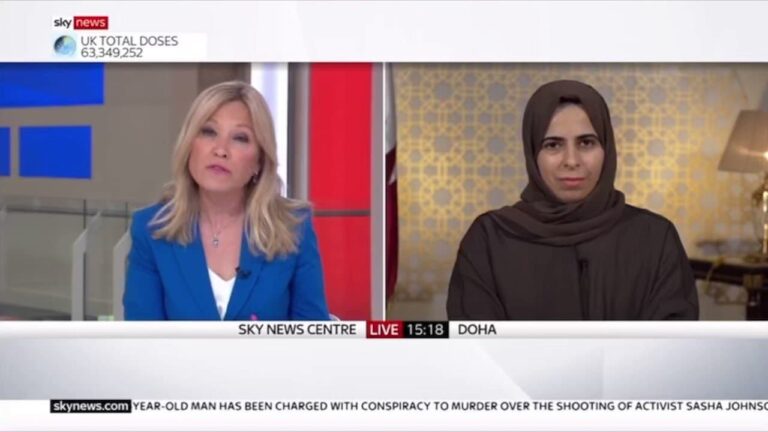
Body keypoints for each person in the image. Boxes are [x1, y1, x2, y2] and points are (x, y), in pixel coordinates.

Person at [447, 80, 699, 320]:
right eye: (553, 145)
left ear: (607, 148)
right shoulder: (490, 238)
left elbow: (672, 342)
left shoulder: (654, 237)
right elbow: (475, 338)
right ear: (533, 152)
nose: (571, 161)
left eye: (586, 142)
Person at [124, 81, 330, 320]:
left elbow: (311, 332)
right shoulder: (151, 229)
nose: (220, 150)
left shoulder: (293, 227)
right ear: (189, 146)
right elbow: (143, 335)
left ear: (259, 161)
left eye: (240, 138)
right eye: (209, 132)